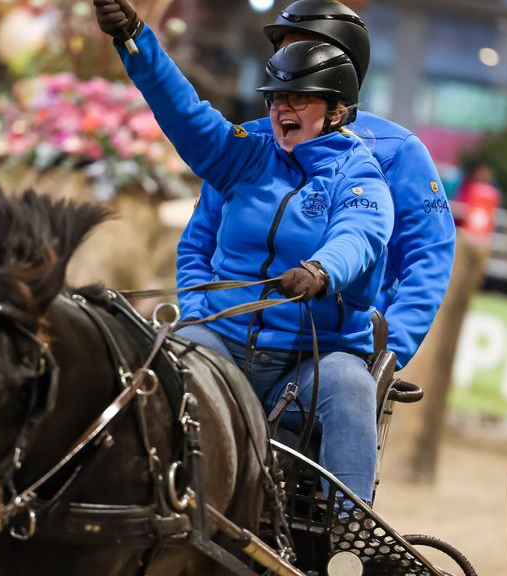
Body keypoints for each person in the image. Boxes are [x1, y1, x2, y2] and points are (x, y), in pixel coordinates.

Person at [94, 0, 393, 503]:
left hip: (309, 361)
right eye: (276, 97)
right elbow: (185, 113)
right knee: (157, 368)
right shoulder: (246, 150)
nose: (282, 109)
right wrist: (135, 39)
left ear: (337, 110)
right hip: (221, 342)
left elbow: (360, 234)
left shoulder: (360, 176)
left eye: (299, 98)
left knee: (351, 388)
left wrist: (322, 269)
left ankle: (348, 526)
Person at [182, 0, 456, 373]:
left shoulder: (398, 150)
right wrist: (195, 312)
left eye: (304, 49)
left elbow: (428, 256)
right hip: (228, 333)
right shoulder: (253, 140)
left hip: (331, 351)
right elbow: (200, 239)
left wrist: (388, 352)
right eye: (282, 50)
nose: (287, 62)